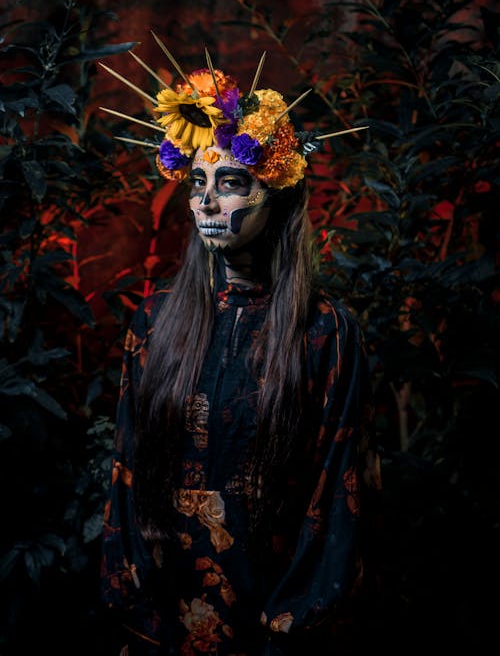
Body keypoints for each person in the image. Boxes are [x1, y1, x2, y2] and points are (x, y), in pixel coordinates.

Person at [100, 46, 382, 656]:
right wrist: (136, 607)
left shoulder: (325, 334)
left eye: (230, 182)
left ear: (274, 193)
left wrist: (293, 622)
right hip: (166, 617)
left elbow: (336, 493)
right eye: (197, 181)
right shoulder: (154, 322)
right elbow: (126, 470)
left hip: (270, 615)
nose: (206, 200)